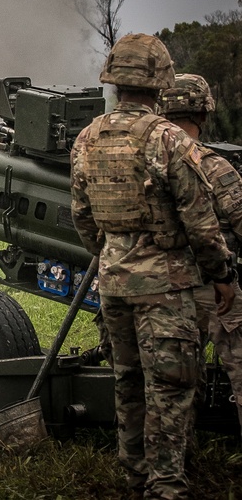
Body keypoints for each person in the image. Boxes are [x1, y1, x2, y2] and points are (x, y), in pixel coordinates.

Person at [70, 33, 234, 500]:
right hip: (165, 285)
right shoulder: (168, 138)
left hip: (114, 283)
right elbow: (199, 219)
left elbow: (82, 216)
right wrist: (220, 274)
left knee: (129, 381)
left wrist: (110, 253)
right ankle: (166, 485)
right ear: (159, 79)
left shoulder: (88, 136)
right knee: (171, 386)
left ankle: (136, 475)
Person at [158, 73, 242, 438]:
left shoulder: (148, 165)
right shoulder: (214, 167)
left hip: (163, 289)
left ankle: (176, 464)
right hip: (216, 291)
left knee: (174, 384)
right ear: (204, 114)